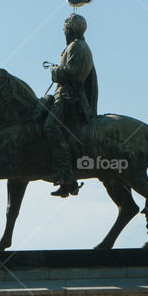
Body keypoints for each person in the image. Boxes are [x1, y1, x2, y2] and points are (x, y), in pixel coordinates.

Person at [44, 13, 99, 197]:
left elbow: (72, 73)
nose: (64, 33)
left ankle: (65, 173)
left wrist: (54, 70)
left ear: (70, 29)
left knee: (51, 127)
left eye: (65, 29)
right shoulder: (77, 47)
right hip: (67, 95)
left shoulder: (77, 46)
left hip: (69, 97)